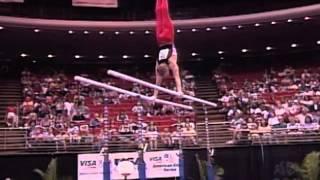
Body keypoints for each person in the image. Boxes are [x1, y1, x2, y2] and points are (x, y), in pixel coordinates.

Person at [153, 0, 183, 98]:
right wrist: (154, 95)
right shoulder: (158, 63)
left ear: (167, 70)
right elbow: (157, 83)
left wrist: (180, 90)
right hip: (159, 38)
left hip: (168, 37)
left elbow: (177, 77)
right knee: (159, 13)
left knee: (164, 12)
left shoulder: (172, 62)